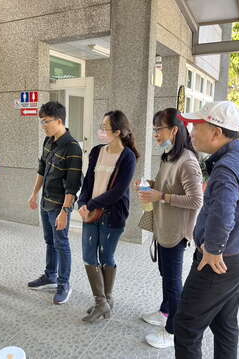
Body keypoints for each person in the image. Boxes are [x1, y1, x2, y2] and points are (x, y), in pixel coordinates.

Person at [174, 101, 239, 359]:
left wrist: (214, 249)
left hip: (218, 264)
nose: (191, 133)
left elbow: (223, 215)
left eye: (197, 127)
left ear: (216, 133)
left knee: (186, 327)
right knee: (225, 324)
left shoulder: (226, 167)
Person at [138, 108, 203, 348]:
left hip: (176, 232)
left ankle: (173, 329)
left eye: (158, 129)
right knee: (166, 275)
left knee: (173, 281)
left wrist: (162, 196)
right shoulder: (168, 157)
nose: (155, 133)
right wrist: (149, 186)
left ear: (173, 130)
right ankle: (165, 311)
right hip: (163, 227)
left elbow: (196, 200)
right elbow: (166, 186)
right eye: (154, 129)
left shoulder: (188, 161)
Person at [77, 110, 138, 323]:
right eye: (101, 126)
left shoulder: (127, 157)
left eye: (105, 127)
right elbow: (88, 182)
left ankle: (104, 300)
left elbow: (118, 191)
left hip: (113, 215)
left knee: (106, 257)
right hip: (91, 213)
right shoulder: (96, 151)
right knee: (88, 255)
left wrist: (92, 203)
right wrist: (82, 202)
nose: (101, 130)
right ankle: (102, 301)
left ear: (118, 132)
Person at [27, 101, 83, 305]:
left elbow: (73, 186)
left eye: (45, 122)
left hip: (60, 206)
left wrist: (65, 212)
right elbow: (41, 169)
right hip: (45, 202)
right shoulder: (48, 141)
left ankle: (64, 284)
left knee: (62, 243)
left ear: (59, 121)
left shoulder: (73, 148)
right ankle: (50, 275)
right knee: (49, 241)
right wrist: (34, 194)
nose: (43, 126)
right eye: (41, 122)